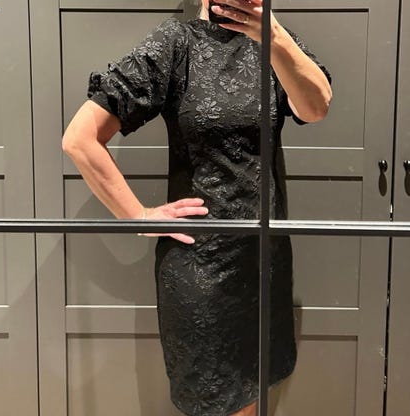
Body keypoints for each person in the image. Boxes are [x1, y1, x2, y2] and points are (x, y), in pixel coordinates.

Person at [62, 1, 332, 415]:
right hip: (200, 269)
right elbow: (80, 139)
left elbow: (316, 108)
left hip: (264, 265)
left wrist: (275, 37)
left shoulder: (277, 43)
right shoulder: (176, 44)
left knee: (254, 397)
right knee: (212, 402)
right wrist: (139, 216)